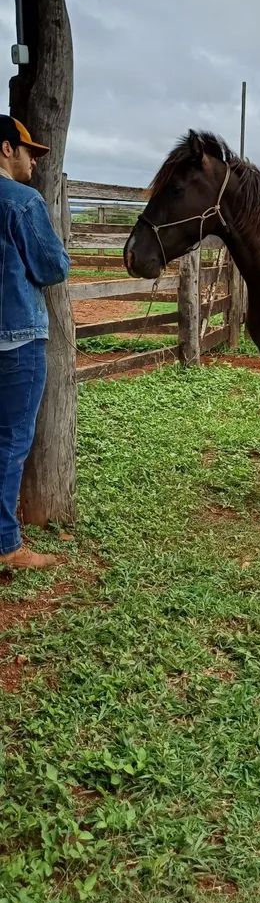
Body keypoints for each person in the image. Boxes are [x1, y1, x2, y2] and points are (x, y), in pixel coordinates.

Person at [0, 115, 70, 570]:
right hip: (16, 337)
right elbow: (52, 267)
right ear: (6, 149)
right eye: (29, 152)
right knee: (10, 441)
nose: (34, 162)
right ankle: (6, 546)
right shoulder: (22, 201)